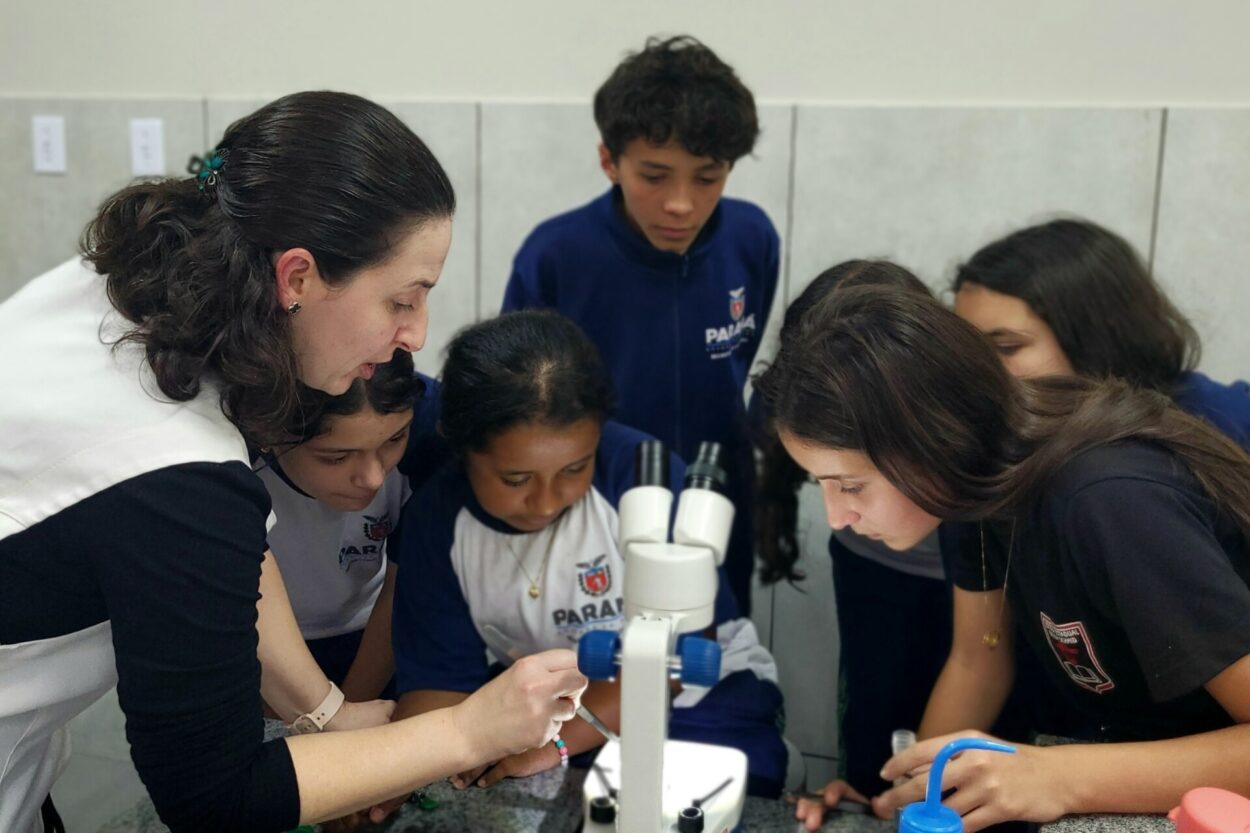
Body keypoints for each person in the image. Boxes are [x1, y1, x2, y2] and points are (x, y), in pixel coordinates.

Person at [0, 91, 585, 833]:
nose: (416, 333)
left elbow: (230, 564)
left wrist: (327, 712)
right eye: (403, 300)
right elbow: (216, 800)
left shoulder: (132, 293)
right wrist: (471, 729)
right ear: (298, 277)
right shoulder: (173, 475)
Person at [755, 272, 1250, 832]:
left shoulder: (1107, 500)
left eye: (849, 485)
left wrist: (1054, 776)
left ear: (926, 442)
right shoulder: (971, 482)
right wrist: (899, 803)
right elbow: (978, 661)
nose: (837, 517)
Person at [389, 310, 788, 799]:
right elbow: (439, 688)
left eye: (574, 469)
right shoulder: (438, 522)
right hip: (542, 716)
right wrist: (394, 775)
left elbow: (678, 660)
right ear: (463, 448)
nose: (547, 501)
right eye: (516, 479)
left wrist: (553, 745)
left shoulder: (644, 481)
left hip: (696, 699)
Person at [501, 34, 780, 616]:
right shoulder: (555, 256)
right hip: (592, 511)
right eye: (655, 175)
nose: (681, 203)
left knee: (713, 666)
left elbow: (742, 366)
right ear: (609, 160)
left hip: (718, 498)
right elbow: (517, 404)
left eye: (707, 177)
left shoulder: (752, 240)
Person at [753, 261, 951, 800]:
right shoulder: (783, 408)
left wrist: (926, 791)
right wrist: (885, 797)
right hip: (874, 578)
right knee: (874, 715)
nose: (836, 514)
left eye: (852, 485)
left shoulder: (1000, 512)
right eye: (825, 483)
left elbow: (982, 660)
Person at [953, 218, 1250, 446]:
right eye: (967, 349)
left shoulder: (1230, 422)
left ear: (1095, 339)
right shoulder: (990, 437)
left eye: (1006, 347)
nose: (978, 368)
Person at [256, 348, 448, 702]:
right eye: (336, 457)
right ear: (268, 434)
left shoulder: (432, 429)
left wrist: (347, 714)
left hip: (373, 629)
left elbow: (408, 590)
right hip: (247, 642)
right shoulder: (222, 452)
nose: (373, 479)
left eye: (394, 440)